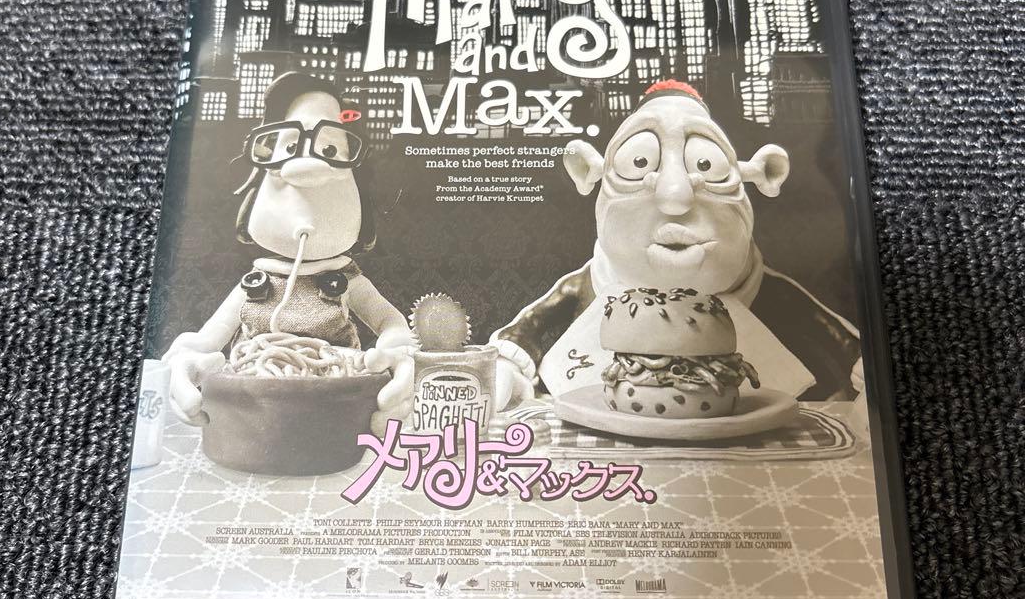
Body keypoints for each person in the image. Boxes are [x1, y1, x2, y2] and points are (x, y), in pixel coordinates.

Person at [492, 79, 862, 406]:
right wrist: (510, 364)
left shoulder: (766, 290)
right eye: (639, 161)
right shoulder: (591, 283)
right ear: (590, 171)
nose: (675, 196)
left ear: (763, 173)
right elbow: (528, 330)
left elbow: (841, 343)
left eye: (706, 165)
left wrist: (863, 373)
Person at [164, 72, 414, 425]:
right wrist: (188, 360)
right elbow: (206, 341)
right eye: (292, 149)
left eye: (329, 150)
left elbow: (390, 323)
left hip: (336, 400)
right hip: (254, 403)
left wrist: (394, 351)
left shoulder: (346, 279)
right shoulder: (257, 282)